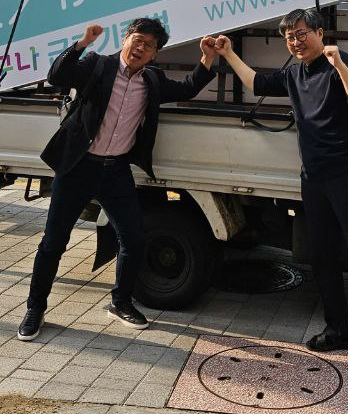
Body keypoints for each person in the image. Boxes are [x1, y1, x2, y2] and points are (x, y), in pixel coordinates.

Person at [213, 8, 348, 380]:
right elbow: (256, 83)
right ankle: (339, 330)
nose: (296, 42)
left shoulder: (340, 64)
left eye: (301, 34)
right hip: (314, 177)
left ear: (319, 33)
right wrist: (228, 53)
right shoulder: (294, 73)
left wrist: (338, 63)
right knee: (322, 257)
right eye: (289, 38)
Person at [17, 17, 217, 341]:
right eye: (137, 40)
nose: (141, 48)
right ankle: (35, 309)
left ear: (155, 54)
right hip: (78, 167)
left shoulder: (152, 80)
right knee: (53, 243)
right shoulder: (98, 65)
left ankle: (121, 302)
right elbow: (57, 76)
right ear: (126, 39)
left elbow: (187, 88)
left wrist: (207, 57)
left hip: (115, 171)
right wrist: (83, 43)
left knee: (134, 239)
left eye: (149, 45)